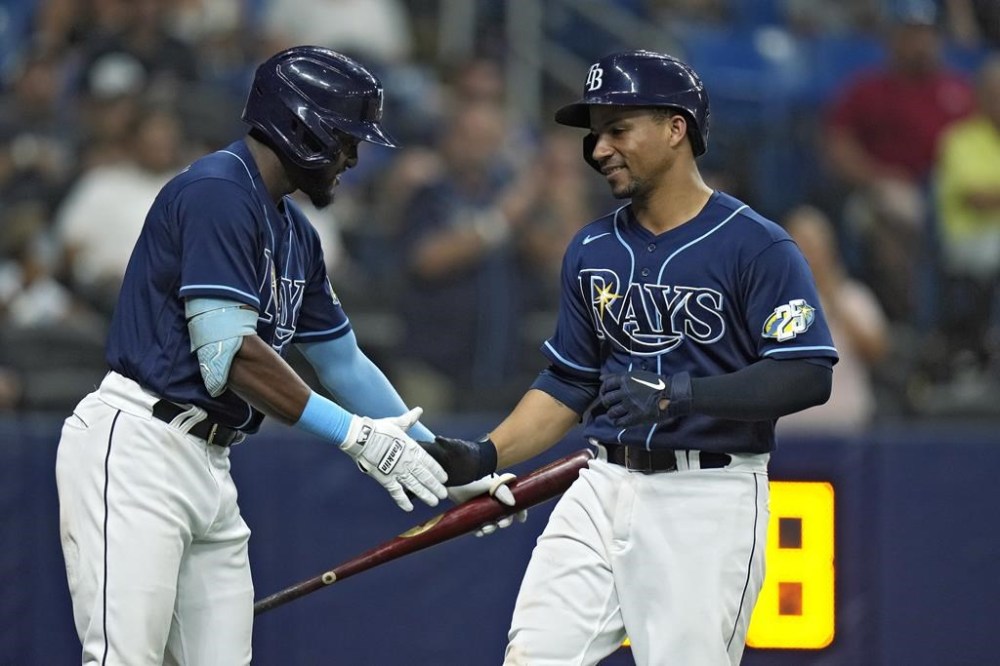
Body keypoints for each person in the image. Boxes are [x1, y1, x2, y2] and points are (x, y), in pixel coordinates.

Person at [53, 46, 513, 666]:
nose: (354, 157)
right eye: (348, 139)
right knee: (122, 658)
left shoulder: (295, 233)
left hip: (210, 463)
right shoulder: (217, 191)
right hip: (139, 445)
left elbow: (345, 363)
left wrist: (442, 463)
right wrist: (355, 436)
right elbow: (231, 358)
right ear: (303, 127)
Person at [422, 50, 838, 665]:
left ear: (676, 128)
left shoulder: (758, 246)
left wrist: (680, 395)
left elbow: (806, 373)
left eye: (618, 130)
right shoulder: (592, 245)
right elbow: (568, 380)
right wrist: (486, 453)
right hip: (601, 482)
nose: (599, 150)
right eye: (595, 135)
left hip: (707, 494)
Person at [823, 0, 975, 324]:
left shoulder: (958, 90)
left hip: (952, 196)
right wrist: (877, 177)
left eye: (927, 34)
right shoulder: (869, 89)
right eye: (911, 34)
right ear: (893, 39)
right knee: (891, 222)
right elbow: (838, 145)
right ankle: (908, 321)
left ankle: (951, 327)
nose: (920, 43)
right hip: (883, 192)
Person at [778, 205, 888, 435]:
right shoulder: (768, 300)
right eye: (799, 242)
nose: (807, 252)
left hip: (845, 433)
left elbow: (877, 354)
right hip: (786, 436)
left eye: (813, 244)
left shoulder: (853, 296)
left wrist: (832, 298)